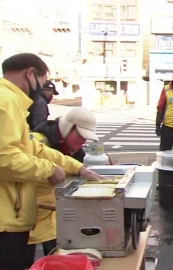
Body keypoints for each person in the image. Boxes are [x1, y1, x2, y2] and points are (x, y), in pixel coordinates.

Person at [0, 53, 102, 270]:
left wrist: (77, 167)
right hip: (6, 220)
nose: (41, 88)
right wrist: (48, 170)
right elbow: (4, 157)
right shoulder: (5, 100)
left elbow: (33, 149)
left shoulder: (14, 103)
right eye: (42, 81)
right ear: (30, 74)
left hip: (14, 216)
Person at [25, 107, 99, 267]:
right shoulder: (38, 141)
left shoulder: (71, 150)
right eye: (80, 136)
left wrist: (81, 169)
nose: (82, 142)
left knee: (59, 261)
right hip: (27, 217)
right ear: (67, 128)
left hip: (54, 216)